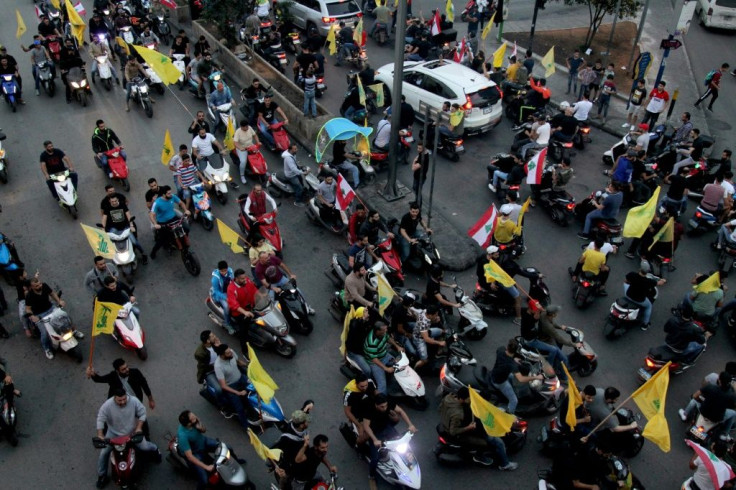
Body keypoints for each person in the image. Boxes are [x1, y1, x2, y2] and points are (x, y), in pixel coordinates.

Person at [439, 387, 519, 469]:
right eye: (469, 398)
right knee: (499, 443)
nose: (471, 399)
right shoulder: (462, 413)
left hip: (447, 422)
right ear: (462, 399)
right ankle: (505, 464)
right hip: (463, 432)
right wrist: (469, 427)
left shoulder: (448, 398)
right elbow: (454, 431)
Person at [95, 388, 160, 488]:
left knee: (145, 447)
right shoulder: (107, 405)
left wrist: (138, 428)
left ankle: (155, 449)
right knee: (103, 453)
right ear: (114, 398)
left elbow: (142, 413)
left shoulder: (133, 401)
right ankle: (101, 476)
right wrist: (100, 435)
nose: (123, 402)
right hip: (113, 433)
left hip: (132, 432)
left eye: (124, 399)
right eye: (120, 400)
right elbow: (100, 418)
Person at [362, 394, 417, 489]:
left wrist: (410, 425)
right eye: (382, 407)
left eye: (386, 406)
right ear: (376, 405)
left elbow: (401, 411)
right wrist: (375, 440)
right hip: (375, 432)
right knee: (375, 458)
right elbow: (366, 426)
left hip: (386, 427)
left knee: (402, 444)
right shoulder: (369, 410)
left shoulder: (388, 402)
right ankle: (371, 476)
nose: (385, 408)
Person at [25, 276, 82, 359]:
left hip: (51, 308)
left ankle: (74, 331)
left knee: (66, 318)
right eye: (36, 286)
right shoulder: (29, 295)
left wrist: (59, 301)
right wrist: (32, 316)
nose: (39, 286)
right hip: (40, 315)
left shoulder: (44, 286)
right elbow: (28, 309)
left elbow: (52, 294)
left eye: (40, 284)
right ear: (32, 287)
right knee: (44, 333)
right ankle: (47, 348)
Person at [489, 338, 544, 414]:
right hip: (499, 382)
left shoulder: (500, 350)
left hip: (495, 373)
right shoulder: (512, 365)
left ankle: (511, 390)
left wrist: (513, 358)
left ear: (507, 347)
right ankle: (509, 416)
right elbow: (521, 379)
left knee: (511, 376)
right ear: (516, 351)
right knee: (514, 400)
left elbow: (505, 357)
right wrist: (536, 377)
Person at [213, 343, 257, 430]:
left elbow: (238, 362)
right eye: (228, 353)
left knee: (257, 388)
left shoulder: (231, 353)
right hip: (231, 386)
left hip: (241, 378)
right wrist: (238, 393)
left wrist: (249, 366)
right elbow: (223, 386)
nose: (231, 353)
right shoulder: (218, 366)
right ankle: (247, 428)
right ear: (222, 355)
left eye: (230, 350)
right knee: (239, 408)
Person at [176, 410, 223, 490]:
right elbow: (190, 457)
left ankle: (237, 460)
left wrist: (200, 427)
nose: (195, 416)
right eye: (193, 417)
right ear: (189, 423)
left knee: (226, 447)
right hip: (195, 453)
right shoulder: (183, 436)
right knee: (204, 480)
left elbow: (203, 430)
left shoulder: (194, 420)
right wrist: (206, 467)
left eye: (193, 415)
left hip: (202, 441)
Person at [86, 359, 155, 409]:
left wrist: (150, 400)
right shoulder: (113, 376)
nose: (127, 369)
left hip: (136, 400)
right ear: (117, 371)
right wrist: (92, 373)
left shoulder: (135, 372)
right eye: (123, 369)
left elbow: (145, 386)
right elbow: (99, 379)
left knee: (139, 415)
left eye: (127, 367)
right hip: (120, 403)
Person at [194, 330, 231, 416]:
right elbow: (204, 366)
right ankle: (222, 406)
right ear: (207, 341)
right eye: (212, 336)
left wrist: (220, 346)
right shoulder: (200, 353)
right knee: (219, 389)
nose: (215, 336)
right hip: (210, 371)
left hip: (221, 365)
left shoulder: (215, 343)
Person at [149, 186, 191, 259]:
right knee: (162, 240)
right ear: (163, 194)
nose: (170, 194)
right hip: (163, 222)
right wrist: (155, 224)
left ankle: (182, 241)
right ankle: (153, 252)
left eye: (170, 193)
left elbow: (181, 203)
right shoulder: (157, 202)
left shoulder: (172, 197)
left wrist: (185, 210)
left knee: (186, 228)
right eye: (168, 194)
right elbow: (151, 214)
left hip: (173, 218)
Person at [100, 194, 146, 260]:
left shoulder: (122, 205)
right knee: (109, 242)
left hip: (125, 227)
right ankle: (113, 256)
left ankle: (143, 254)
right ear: (110, 201)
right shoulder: (107, 208)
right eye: (112, 201)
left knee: (134, 242)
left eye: (115, 201)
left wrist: (131, 225)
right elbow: (104, 218)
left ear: (117, 200)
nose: (114, 202)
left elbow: (128, 215)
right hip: (114, 228)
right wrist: (103, 228)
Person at [364, 321, 404, 395]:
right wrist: (386, 368)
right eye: (384, 330)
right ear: (378, 331)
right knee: (382, 386)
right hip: (375, 363)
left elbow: (388, 338)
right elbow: (374, 359)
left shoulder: (383, 333)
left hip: (384, 355)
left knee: (401, 363)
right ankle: (381, 402)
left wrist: (397, 346)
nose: (386, 331)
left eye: (386, 329)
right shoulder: (372, 342)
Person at [624, 261, 666, 330]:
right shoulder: (649, 281)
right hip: (639, 299)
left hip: (628, 294)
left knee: (625, 284)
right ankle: (645, 324)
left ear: (640, 268)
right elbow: (659, 283)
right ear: (647, 271)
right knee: (649, 306)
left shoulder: (632, 274)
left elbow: (626, 281)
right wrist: (663, 280)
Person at [226, 269, 258, 345]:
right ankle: (245, 350)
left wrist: (261, 295)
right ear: (236, 279)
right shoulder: (231, 289)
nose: (245, 280)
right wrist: (245, 312)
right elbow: (234, 305)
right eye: (242, 279)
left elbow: (254, 289)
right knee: (243, 332)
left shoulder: (247, 281)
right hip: (239, 313)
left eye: (245, 277)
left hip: (251, 307)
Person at [343, 373, 376, 445]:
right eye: (362, 386)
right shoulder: (349, 393)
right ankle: (357, 445)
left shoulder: (370, 382)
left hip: (370, 408)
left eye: (366, 385)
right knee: (364, 436)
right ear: (356, 384)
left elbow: (376, 394)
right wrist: (359, 425)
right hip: (358, 413)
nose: (364, 388)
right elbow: (347, 412)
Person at [410, 304, 446, 370]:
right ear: (430, 315)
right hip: (419, 339)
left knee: (442, 331)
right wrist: (439, 343)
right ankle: (414, 369)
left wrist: (435, 320)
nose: (437, 316)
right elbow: (426, 339)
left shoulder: (425, 311)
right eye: (435, 315)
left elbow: (412, 308)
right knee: (424, 360)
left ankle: (439, 352)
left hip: (427, 331)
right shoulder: (424, 323)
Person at [210, 261, 235, 334]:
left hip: (229, 291)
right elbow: (217, 291)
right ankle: (228, 324)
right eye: (222, 271)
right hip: (221, 294)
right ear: (218, 270)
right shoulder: (215, 279)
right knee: (227, 307)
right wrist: (225, 297)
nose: (224, 272)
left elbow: (233, 281)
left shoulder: (230, 272)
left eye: (225, 270)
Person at [411, 143, 430, 207]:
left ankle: (419, 205)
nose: (418, 149)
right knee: (415, 188)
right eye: (418, 148)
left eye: (420, 148)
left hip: (420, 177)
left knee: (418, 192)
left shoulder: (423, 158)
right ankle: (416, 202)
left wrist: (414, 161)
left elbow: (413, 168)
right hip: (417, 176)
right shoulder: (423, 153)